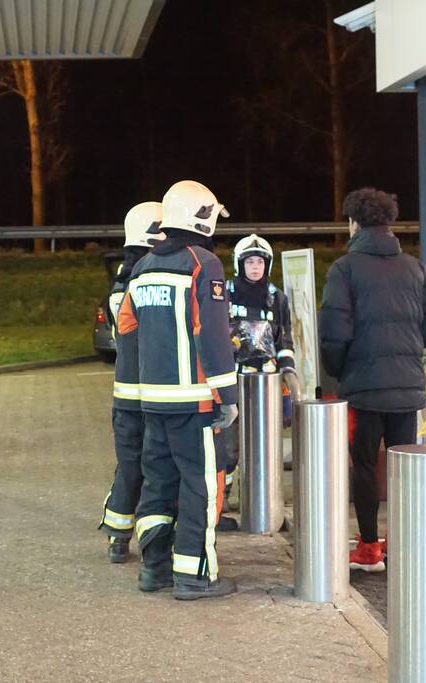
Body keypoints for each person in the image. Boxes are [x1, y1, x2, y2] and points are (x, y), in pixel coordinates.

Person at [117, 179, 239, 600]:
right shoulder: (203, 263)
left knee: (158, 483)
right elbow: (214, 336)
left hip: (152, 402)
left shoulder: (143, 266)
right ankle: (195, 575)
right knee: (200, 486)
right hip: (196, 402)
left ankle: (154, 569)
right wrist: (229, 395)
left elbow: (127, 327)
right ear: (202, 218)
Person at [317, 188, 426, 573]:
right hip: (406, 389)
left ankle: (369, 549)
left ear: (354, 222)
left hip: (364, 388)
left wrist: (339, 371)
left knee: (365, 466)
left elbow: (334, 333)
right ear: (389, 223)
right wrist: (407, 353)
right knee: (406, 466)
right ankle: (405, 546)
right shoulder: (415, 267)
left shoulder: (345, 269)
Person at [99, 201, 163, 563]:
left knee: (130, 464)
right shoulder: (142, 282)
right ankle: (137, 537)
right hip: (151, 395)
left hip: (127, 397)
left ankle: (118, 535)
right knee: (150, 466)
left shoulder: (122, 281)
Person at [219, 234, 296, 529]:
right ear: (240, 264)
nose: (255, 267)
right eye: (249, 262)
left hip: (266, 381)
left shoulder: (277, 297)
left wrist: (288, 370)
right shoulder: (224, 293)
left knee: (263, 442)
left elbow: (284, 338)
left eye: (259, 262)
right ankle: (222, 496)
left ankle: (261, 497)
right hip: (233, 377)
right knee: (228, 443)